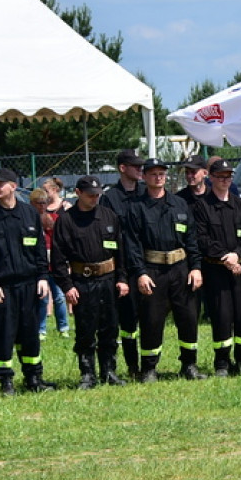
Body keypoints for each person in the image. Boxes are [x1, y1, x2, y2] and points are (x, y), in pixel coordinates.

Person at [123, 158, 205, 382]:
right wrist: (140, 273)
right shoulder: (136, 208)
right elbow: (132, 245)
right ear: (144, 177)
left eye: (161, 173)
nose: (158, 177)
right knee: (152, 320)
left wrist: (196, 268)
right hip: (153, 270)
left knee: (188, 318)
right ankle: (149, 368)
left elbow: (192, 240)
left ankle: (189, 365)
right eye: (153, 174)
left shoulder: (179, 204)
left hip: (181, 269)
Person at [50, 176, 129, 388]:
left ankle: (109, 371)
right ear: (78, 193)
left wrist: (122, 279)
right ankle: (87, 374)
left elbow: (121, 252)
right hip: (82, 281)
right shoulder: (66, 221)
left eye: (97, 195)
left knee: (110, 329)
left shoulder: (108, 216)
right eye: (90, 195)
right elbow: (58, 259)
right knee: (85, 330)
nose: (95, 199)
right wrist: (67, 286)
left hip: (109, 280)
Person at [0, 168, 56, 394]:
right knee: (4, 334)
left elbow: (38, 250)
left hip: (29, 285)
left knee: (30, 333)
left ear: (13, 187)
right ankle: (6, 381)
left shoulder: (29, 213)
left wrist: (43, 277)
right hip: (3, 287)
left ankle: (34, 378)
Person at [194, 159, 241, 376]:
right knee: (221, 315)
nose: (225, 180)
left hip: (239, 269)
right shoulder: (202, 206)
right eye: (220, 176)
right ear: (211, 178)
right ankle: (222, 363)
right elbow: (202, 239)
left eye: (228, 176)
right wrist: (225, 258)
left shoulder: (240, 205)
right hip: (216, 270)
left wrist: (237, 255)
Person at [100, 148, 146, 377]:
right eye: (135, 166)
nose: (140, 169)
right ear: (122, 168)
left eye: (141, 166)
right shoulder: (110, 198)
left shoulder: (146, 192)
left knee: (148, 316)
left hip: (147, 264)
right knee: (127, 320)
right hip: (123, 265)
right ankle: (131, 365)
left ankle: (149, 365)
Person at [30, 187, 70, 339]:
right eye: (39, 203)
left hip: (54, 264)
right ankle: (41, 329)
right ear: (32, 203)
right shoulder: (28, 218)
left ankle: (63, 327)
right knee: (43, 299)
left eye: (44, 202)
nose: (42, 206)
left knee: (59, 297)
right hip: (38, 268)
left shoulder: (53, 218)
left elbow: (61, 242)